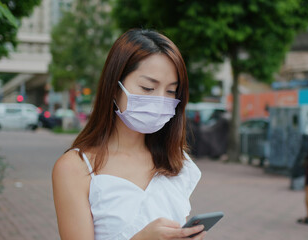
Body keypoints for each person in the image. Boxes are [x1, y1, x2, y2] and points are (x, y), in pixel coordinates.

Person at [52, 29, 206, 240]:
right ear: (115, 88)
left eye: (171, 91)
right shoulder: (75, 167)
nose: (160, 100)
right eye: (148, 88)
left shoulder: (177, 161)